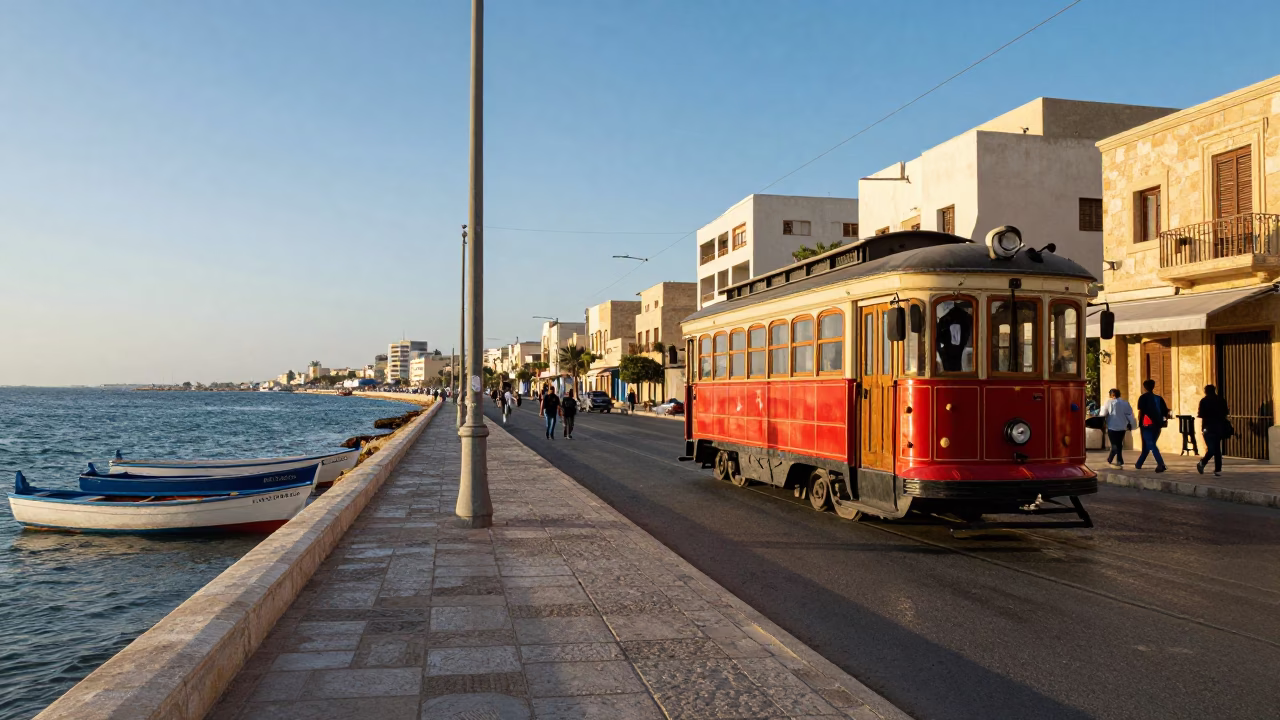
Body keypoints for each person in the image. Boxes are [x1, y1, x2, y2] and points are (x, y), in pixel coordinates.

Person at [1135, 379, 1169, 472]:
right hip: (1157, 425)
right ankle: (1139, 464)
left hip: (1146, 424)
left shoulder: (1143, 397)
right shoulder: (1159, 398)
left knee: (1150, 444)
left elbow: (1141, 412)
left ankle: (1160, 463)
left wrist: (1139, 423)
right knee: (1148, 444)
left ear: (1144, 387)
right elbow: (1165, 412)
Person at [1197, 384, 1230, 476]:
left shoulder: (1204, 401)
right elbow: (1226, 412)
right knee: (1216, 448)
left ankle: (1203, 463)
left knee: (1212, 449)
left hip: (1208, 428)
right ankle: (1217, 469)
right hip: (1219, 427)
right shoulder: (1221, 400)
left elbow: (1201, 414)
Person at [1099, 388, 1136, 467]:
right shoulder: (1125, 403)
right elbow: (1130, 415)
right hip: (1122, 427)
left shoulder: (1108, 403)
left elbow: (1103, 413)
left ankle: (1112, 458)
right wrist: (1131, 424)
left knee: (1114, 445)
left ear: (1112, 395)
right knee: (1119, 443)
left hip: (1112, 427)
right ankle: (1118, 459)